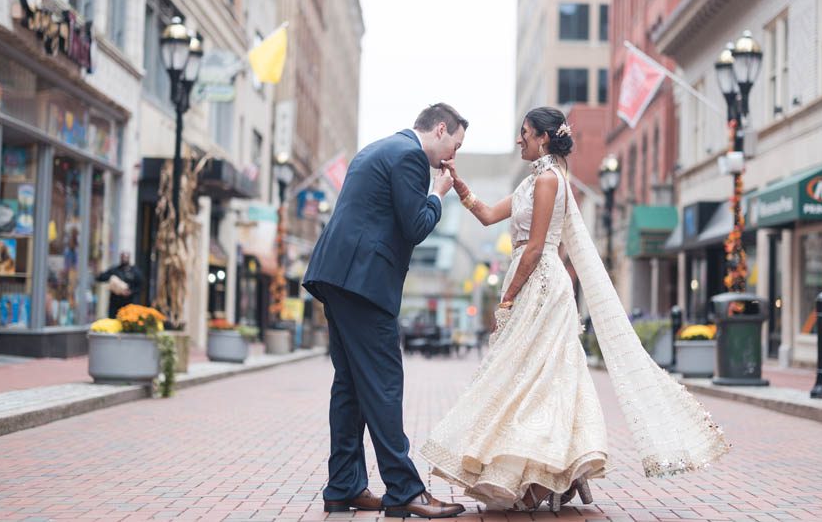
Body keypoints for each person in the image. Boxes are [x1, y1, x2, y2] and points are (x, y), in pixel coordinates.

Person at [420, 107, 729, 511]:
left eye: (525, 132)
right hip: (529, 279)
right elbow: (488, 215)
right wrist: (458, 186)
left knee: (541, 378)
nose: (519, 139)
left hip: (542, 285)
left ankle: (554, 470)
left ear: (544, 138)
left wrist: (508, 297)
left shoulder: (550, 180)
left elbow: (535, 249)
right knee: (524, 376)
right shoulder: (533, 181)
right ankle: (556, 471)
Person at [303, 103, 468, 519]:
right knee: (384, 384)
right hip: (364, 283)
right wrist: (438, 193)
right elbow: (415, 226)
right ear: (441, 129)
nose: (453, 155)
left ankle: (343, 486)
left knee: (351, 386)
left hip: (337, 277)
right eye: (455, 144)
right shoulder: (411, 157)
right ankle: (404, 490)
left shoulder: (377, 149)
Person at [96, 251, 144, 318]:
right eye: (123, 257)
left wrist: (131, 292)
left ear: (129, 258)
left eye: (126, 257)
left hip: (129, 303)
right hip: (116, 303)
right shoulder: (115, 270)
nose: (124, 259)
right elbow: (101, 277)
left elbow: (140, 286)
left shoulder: (135, 272)